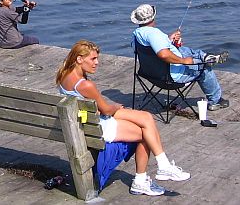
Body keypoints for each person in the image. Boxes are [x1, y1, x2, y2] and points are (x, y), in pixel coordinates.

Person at [56, 40, 191, 196]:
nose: (97, 63)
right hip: (96, 126)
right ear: (79, 59)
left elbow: (97, 107)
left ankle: (164, 165)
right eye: (93, 59)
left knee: (146, 117)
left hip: (85, 120)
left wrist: (111, 108)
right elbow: (106, 110)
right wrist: (116, 107)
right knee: (145, 134)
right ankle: (142, 180)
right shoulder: (85, 85)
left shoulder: (64, 75)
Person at [131, 4, 229, 111]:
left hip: (150, 74)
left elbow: (152, 51)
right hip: (170, 78)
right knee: (204, 67)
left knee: (183, 50)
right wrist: (184, 61)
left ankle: (204, 56)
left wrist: (168, 40)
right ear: (153, 16)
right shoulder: (154, 34)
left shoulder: (137, 34)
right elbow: (163, 54)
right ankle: (215, 101)